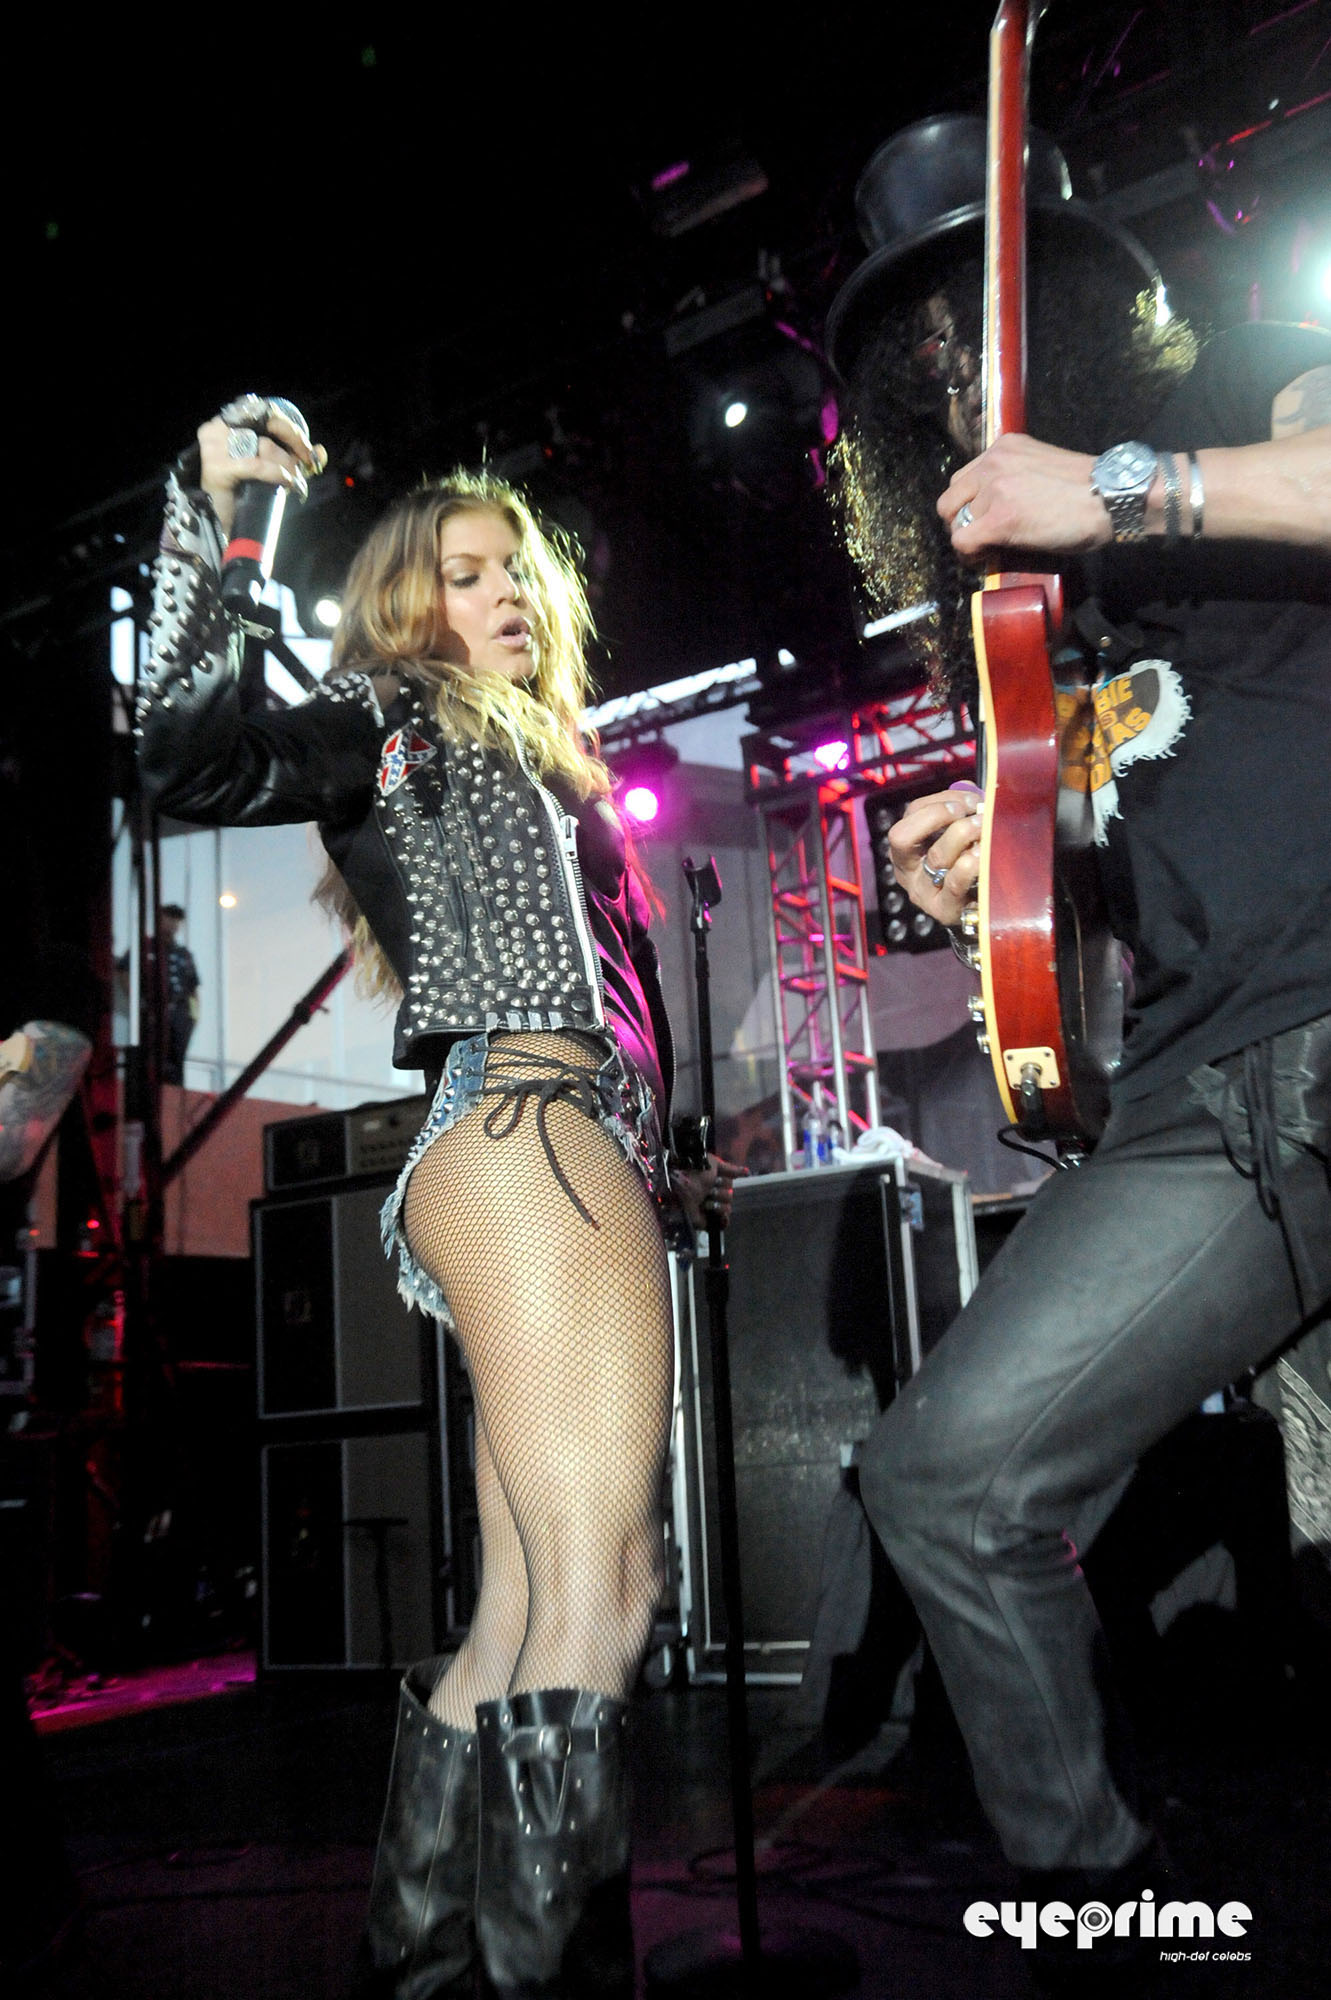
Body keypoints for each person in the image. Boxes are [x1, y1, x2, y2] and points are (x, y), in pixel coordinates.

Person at [135, 399, 736, 2000]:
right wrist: (227, 527)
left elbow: (617, 994)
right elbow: (188, 755)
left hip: (542, 1141)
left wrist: (672, 1149)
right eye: (464, 575)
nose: (504, 593)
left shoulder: (535, 755)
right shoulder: (400, 716)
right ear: (409, 606)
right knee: (608, 1589)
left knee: (528, 1602)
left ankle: (419, 1962)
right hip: (525, 1128)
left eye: (515, 568)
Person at [824, 114, 1331, 1982]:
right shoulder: (1023, 621)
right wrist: (1011, 857)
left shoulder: (1258, 384)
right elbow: (1155, 851)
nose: (957, 361)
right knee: (947, 1478)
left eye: (983, 308)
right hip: (1207, 1096)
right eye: (923, 349)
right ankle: (1112, 1919)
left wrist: (1118, 487)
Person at [158, 904, 200, 1085]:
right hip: (156, 1010)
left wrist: (194, 1015)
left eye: (177, 920)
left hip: (181, 1012)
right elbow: (123, 971)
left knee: (177, 1057)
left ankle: (175, 1089)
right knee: (157, 1054)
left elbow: (193, 988)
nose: (173, 923)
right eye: (169, 918)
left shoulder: (184, 954)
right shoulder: (147, 947)